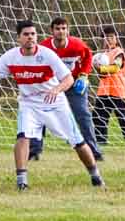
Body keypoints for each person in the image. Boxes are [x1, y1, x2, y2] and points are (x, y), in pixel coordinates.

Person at [0, 20, 104, 190]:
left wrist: (56, 89)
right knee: (22, 136)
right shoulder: (11, 56)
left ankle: (95, 176)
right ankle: (22, 181)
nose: (30, 37)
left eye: (33, 34)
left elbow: (68, 78)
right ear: (19, 38)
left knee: (77, 141)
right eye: (26, 34)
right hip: (29, 104)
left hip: (55, 103)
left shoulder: (47, 54)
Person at [36, 14, 99, 160]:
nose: (61, 31)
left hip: (74, 84)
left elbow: (88, 57)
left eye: (64, 28)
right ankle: (35, 150)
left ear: (68, 30)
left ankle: (94, 151)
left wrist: (84, 75)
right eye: (57, 28)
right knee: (40, 113)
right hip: (52, 85)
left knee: (83, 114)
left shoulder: (77, 45)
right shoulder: (44, 47)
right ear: (52, 31)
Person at [91, 27, 125, 149]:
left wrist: (101, 68)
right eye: (106, 37)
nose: (109, 39)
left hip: (117, 90)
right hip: (104, 90)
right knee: (98, 116)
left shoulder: (119, 52)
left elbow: (116, 68)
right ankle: (100, 140)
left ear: (116, 38)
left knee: (122, 116)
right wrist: (96, 66)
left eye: (111, 37)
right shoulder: (102, 55)